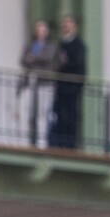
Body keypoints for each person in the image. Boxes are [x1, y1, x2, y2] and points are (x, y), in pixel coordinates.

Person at [47, 14, 86, 149]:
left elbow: (77, 64)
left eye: (68, 24)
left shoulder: (78, 44)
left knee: (71, 115)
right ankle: (58, 141)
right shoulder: (62, 43)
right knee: (59, 113)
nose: (65, 27)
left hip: (71, 86)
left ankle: (70, 143)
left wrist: (64, 64)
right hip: (62, 86)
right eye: (64, 24)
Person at [17, 19, 56, 145]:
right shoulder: (30, 45)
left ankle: (41, 142)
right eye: (38, 29)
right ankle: (24, 141)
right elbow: (23, 60)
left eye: (43, 29)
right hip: (29, 81)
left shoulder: (50, 46)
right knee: (25, 110)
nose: (41, 32)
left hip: (44, 82)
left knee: (42, 113)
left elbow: (46, 58)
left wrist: (32, 58)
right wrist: (34, 59)